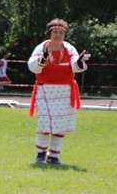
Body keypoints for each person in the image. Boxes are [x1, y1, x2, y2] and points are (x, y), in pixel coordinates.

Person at [27, 18, 90, 165]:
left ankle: (54, 156)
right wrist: (42, 60)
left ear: (65, 35)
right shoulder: (41, 47)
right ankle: (40, 154)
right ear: (49, 33)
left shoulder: (69, 48)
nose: (58, 35)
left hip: (64, 92)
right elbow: (32, 66)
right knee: (44, 124)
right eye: (55, 32)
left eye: (61, 32)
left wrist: (80, 61)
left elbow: (76, 65)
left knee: (60, 125)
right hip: (45, 90)